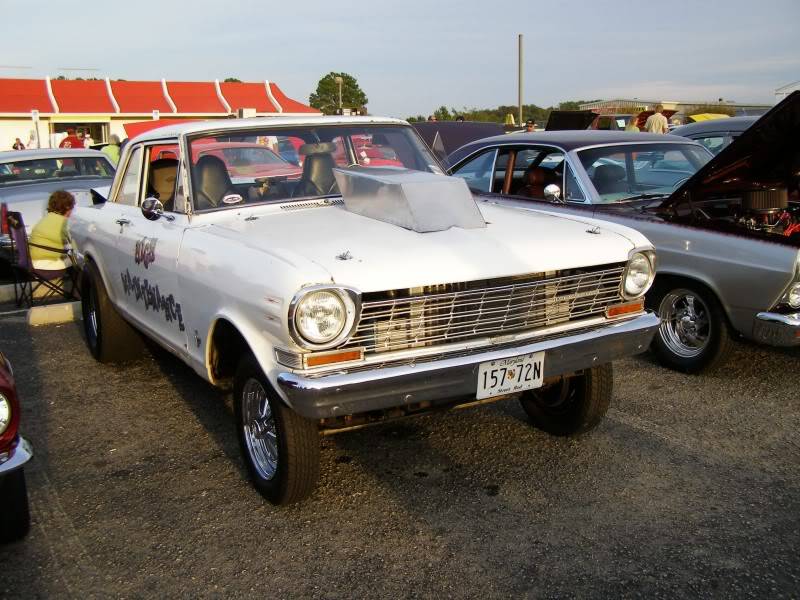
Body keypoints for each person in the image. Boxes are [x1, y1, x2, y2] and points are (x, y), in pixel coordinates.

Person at [28, 190, 76, 271]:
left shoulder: (46, 218)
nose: (73, 211)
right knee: (80, 262)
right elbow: (74, 246)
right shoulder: (63, 222)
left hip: (33, 262)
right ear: (67, 207)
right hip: (49, 264)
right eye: (72, 207)